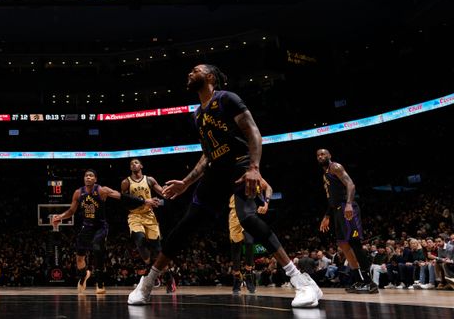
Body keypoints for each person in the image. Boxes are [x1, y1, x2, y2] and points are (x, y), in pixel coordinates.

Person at [128, 64, 323, 307]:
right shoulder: (197, 115)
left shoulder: (227, 99)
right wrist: (186, 182)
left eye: (195, 70)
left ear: (210, 77)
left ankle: (301, 281)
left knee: (247, 217)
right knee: (186, 225)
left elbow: (253, 131)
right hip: (216, 172)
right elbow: (208, 154)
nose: (189, 73)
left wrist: (254, 168)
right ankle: (148, 283)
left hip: (240, 165)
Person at [52, 169, 159, 294]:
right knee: (79, 258)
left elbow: (123, 197)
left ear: (95, 179)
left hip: (100, 227)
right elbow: (71, 211)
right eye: (86, 175)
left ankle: (100, 283)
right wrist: (60, 217)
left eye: (91, 176)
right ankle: (84, 275)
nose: (88, 177)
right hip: (86, 227)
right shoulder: (78, 193)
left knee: (98, 249)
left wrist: (144, 201)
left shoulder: (102, 190)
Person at [316, 148, 378, 293]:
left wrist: (349, 204)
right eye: (318, 155)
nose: (320, 156)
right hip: (336, 210)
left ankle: (370, 283)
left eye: (323, 154)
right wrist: (327, 215)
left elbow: (350, 184)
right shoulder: (325, 174)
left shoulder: (335, 167)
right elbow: (332, 198)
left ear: (329, 155)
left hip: (346, 208)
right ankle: (359, 280)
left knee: (355, 244)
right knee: (344, 246)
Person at [120, 159, 175, 292]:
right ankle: (152, 271)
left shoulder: (149, 180)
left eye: (136, 162)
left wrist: (161, 200)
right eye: (131, 163)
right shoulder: (126, 182)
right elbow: (125, 201)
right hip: (135, 216)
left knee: (158, 250)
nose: (134, 164)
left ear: (141, 166)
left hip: (149, 217)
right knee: (139, 239)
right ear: (130, 168)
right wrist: (144, 202)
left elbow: (164, 194)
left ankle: (169, 277)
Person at [229, 175, 272, 294]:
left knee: (249, 242)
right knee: (236, 247)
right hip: (235, 214)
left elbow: (269, 188)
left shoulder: (256, 176)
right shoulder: (235, 174)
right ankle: (237, 277)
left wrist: (266, 203)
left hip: (249, 213)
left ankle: (249, 275)